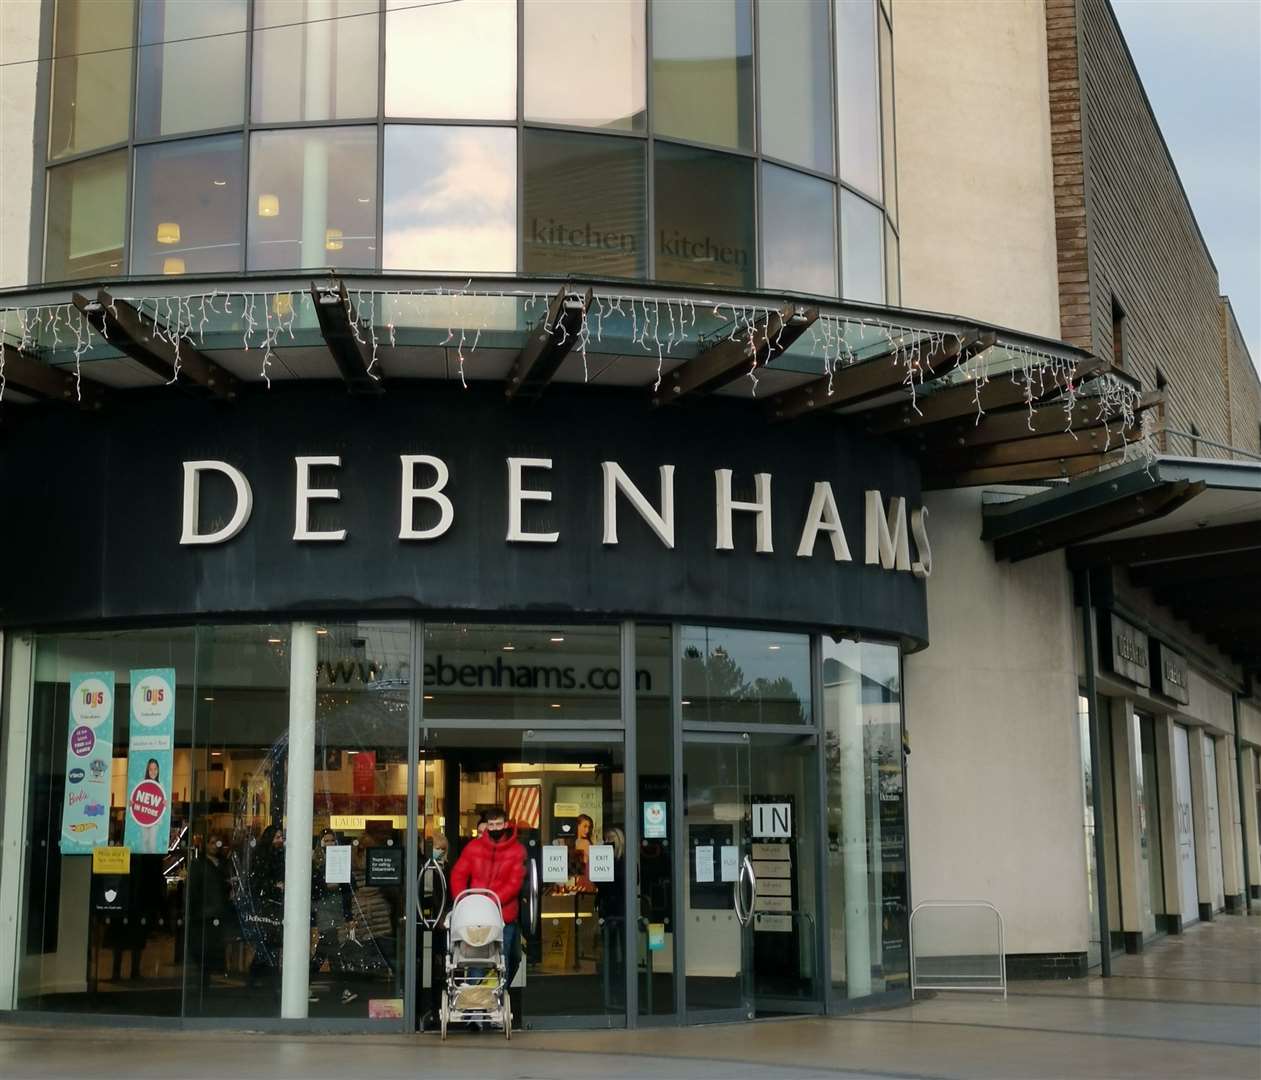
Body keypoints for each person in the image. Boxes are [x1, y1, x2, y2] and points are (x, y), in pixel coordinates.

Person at [449, 806, 526, 986]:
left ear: (506, 824)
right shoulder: (473, 848)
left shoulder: (516, 851)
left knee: (504, 961)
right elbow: (458, 875)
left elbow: (514, 884)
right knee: (477, 963)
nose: (495, 828)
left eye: (498, 824)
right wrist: (463, 902)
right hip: (477, 917)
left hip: (503, 916)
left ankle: (495, 1000)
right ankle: (475, 1006)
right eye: (491, 825)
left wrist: (487, 904)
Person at [311, 828, 357, 1005]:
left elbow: (348, 890)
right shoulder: (315, 863)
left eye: (332, 840)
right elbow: (313, 888)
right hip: (323, 909)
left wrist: (348, 916)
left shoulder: (341, 860)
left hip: (336, 909)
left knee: (325, 950)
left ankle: (304, 984)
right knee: (332, 949)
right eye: (326, 840)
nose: (329, 844)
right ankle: (343, 990)